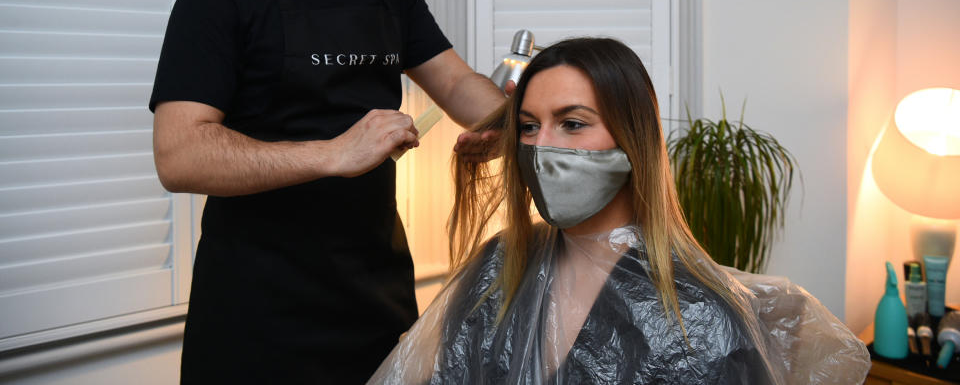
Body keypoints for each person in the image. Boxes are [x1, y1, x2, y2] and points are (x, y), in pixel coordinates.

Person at [149, 0, 505, 384]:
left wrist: (512, 119)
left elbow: (458, 85)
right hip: (256, 317)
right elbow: (179, 155)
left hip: (375, 300)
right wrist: (332, 153)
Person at [367, 37, 870, 384]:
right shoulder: (497, 265)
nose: (542, 147)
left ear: (633, 139)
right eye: (527, 126)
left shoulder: (703, 316)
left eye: (572, 123)